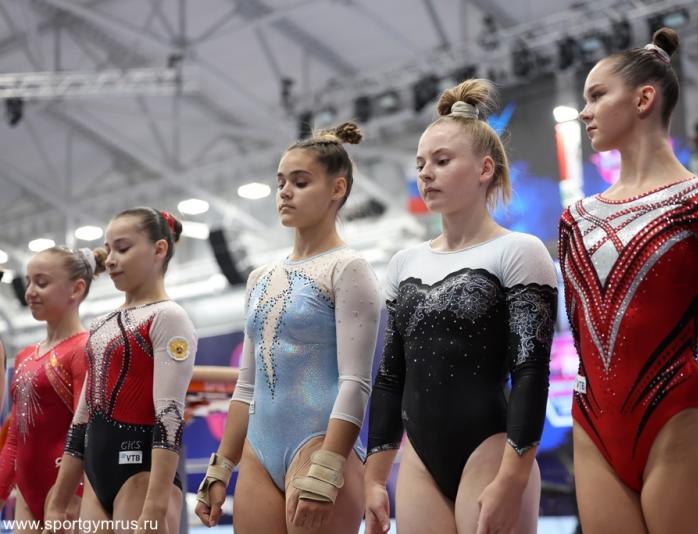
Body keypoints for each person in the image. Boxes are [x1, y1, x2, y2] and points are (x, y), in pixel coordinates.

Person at [558, 28, 698, 533]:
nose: (585, 112)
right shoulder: (575, 220)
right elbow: (580, 333)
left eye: (597, 95)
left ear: (644, 99)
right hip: (593, 429)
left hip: (677, 423)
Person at [365, 78, 558, 534]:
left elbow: (531, 373)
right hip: (420, 461)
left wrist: (513, 478)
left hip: (492, 451)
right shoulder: (404, 263)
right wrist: (373, 478)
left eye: (442, 161)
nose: (426, 173)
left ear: (484, 168)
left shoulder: (518, 251)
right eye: (420, 164)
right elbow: (390, 378)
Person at [194, 122, 381, 534]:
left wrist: (328, 467)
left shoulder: (347, 268)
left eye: (300, 182)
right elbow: (246, 387)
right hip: (259, 451)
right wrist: (221, 467)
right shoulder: (259, 278)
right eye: (280, 182)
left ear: (337, 189)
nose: (284, 192)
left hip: (319, 444)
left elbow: (355, 383)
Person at [44, 208, 197, 534]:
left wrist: (155, 507)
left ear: (159, 249)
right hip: (96, 476)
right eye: (108, 249)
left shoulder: (168, 317)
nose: (111, 260)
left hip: (142, 475)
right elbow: (82, 417)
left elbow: (169, 416)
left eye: (123, 248)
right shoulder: (101, 324)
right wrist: (59, 499)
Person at [0, 247, 101, 532]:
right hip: (27, 494)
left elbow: (86, 432)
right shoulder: (25, 356)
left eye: (41, 283)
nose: (30, 292)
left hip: (70, 492)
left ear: (76, 289)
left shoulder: (84, 349)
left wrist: (63, 496)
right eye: (28, 282)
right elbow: (15, 440)